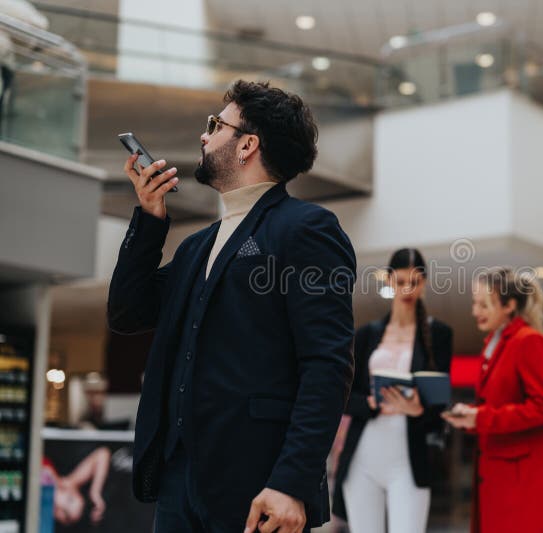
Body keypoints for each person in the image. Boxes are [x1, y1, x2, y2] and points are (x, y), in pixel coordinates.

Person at [107, 80, 356, 533]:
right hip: (177, 480)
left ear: (247, 144)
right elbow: (127, 313)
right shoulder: (196, 247)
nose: (204, 137)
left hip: (257, 484)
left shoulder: (307, 229)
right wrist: (150, 217)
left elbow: (327, 364)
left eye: (214, 126)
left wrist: (292, 482)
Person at [332, 248, 453, 533]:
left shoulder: (439, 335)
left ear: (424, 282)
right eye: (400, 282)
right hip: (363, 455)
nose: (407, 289)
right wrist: (371, 402)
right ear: (388, 280)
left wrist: (420, 409)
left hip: (408, 458)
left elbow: (440, 402)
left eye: (415, 281)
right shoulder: (366, 335)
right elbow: (343, 397)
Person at [443, 267, 543, 533]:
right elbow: (499, 407)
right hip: (500, 481)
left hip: (522, 487)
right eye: (475, 303)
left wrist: (481, 417)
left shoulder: (529, 342)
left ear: (509, 305)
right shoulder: (498, 346)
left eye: (483, 304)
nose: (475, 311)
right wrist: (471, 417)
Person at [42, 447, 111, 526]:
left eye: (66, 516)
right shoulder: (51, 475)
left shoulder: (41, 513)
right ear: (70, 488)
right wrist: (95, 492)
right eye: (69, 499)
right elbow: (102, 454)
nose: (62, 505)